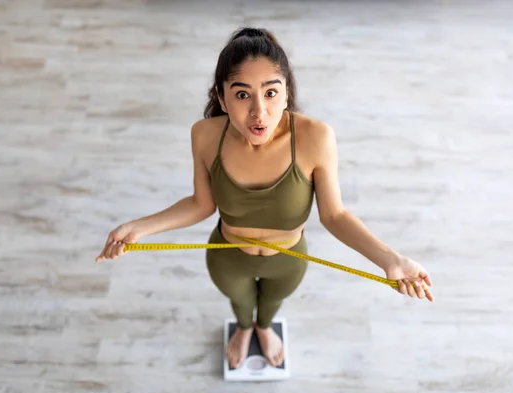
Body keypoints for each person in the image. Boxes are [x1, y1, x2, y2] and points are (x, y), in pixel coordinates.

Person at [95, 27, 434, 370]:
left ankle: (263, 327)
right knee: (240, 304)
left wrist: (391, 260)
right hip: (228, 258)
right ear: (222, 97)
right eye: (242, 96)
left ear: (287, 92)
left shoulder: (316, 138)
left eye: (271, 93)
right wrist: (138, 227)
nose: (259, 112)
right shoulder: (205, 135)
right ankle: (244, 329)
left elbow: (334, 215)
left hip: (287, 260)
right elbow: (202, 204)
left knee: (271, 304)